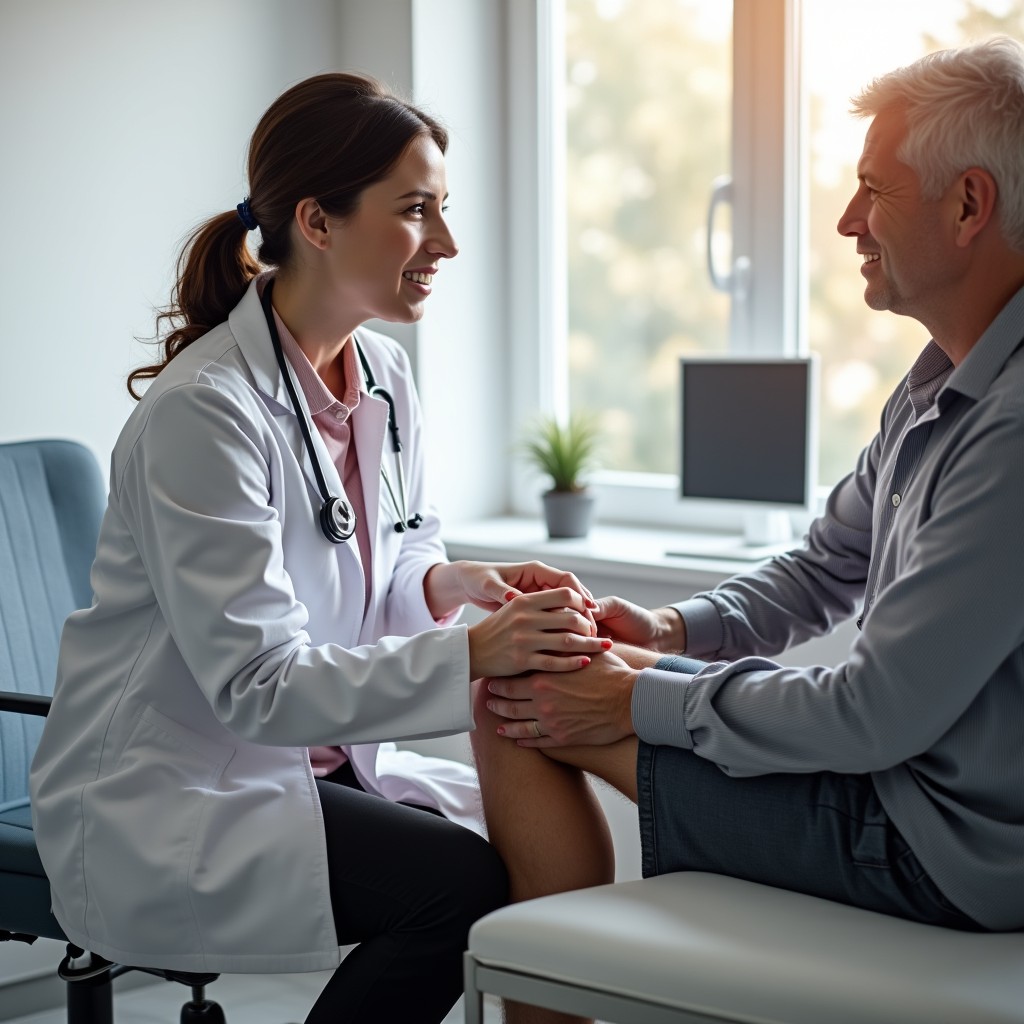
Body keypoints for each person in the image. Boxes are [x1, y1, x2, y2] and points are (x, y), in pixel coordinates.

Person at [28, 72, 607, 1024]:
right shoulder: (206, 413)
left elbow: (401, 549)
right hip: (174, 784)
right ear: (319, 220)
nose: (447, 244)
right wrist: (473, 650)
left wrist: (459, 586)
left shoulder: (380, 373)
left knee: (508, 865)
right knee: (455, 889)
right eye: (417, 211)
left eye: (444, 211)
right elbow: (256, 683)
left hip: (319, 761)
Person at [473, 34, 1024, 1024]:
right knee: (559, 675)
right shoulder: (946, 379)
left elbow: (869, 715)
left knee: (523, 697)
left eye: (872, 191)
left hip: (938, 852)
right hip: (903, 789)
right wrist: (665, 635)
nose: (847, 220)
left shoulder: (1013, 429)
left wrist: (630, 701)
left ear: (968, 206)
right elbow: (824, 569)